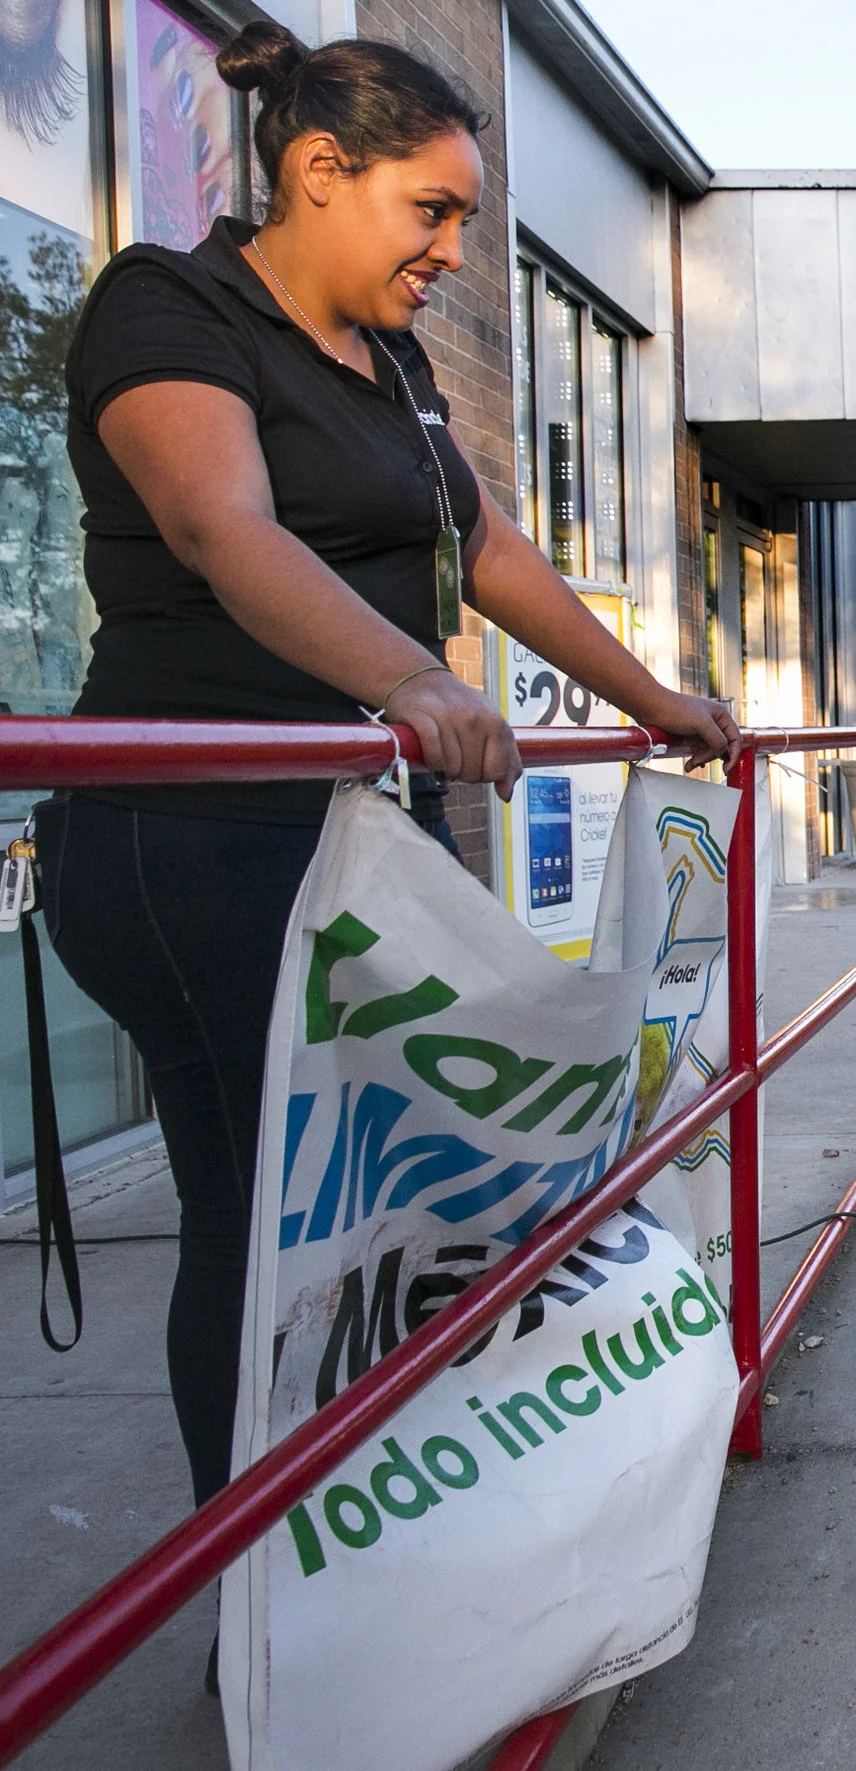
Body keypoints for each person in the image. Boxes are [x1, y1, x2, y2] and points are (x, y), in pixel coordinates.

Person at [46, 21, 736, 1531]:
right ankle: (258, 1585)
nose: (453, 249)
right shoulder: (171, 307)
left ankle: (372, 1516)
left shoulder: (398, 362)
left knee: (381, 1215)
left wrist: (661, 699)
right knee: (259, 1219)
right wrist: (410, 679)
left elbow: (490, 555)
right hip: (193, 844)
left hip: (350, 844)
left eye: (467, 220)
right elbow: (226, 526)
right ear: (316, 172)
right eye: (433, 211)